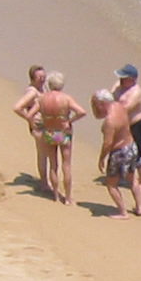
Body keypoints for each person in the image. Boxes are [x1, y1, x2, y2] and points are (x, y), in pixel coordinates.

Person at [30, 72, 87, 205]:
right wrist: (69, 121)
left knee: (53, 165)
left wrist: (36, 125)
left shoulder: (42, 99)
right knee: (66, 165)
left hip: (50, 131)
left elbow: (30, 114)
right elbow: (82, 112)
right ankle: (67, 197)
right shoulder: (66, 98)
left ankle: (56, 195)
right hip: (63, 131)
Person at [92, 90, 141, 217]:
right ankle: (139, 208)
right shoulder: (119, 107)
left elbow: (107, 143)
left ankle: (123, 212)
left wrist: (101, 158)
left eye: (96, 104)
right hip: (131, 146)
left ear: (102, 103)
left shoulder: (109, 122)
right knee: (132, 180)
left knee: (111, 184)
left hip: (120, 152)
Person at [11, 62, 56, 194]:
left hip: (47, 125)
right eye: (39, 77)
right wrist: (30, 119)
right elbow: (17, 108)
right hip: (39, 127)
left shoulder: (42, 88)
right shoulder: (32, 92)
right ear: (33, 78)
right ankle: (44, 183)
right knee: (43, 155)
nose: (42, 79)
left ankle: (47, 181)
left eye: (44, 77)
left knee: (50, 154)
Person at [114, 64, 141, 165]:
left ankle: (139, 174)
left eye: (124, 78)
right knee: (119, 150)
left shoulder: (136, 92)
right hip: (123, 124)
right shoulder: (118, 85)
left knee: (135, 155)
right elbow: (111, 97)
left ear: (132, 79)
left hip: (136, 125)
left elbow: (126, 108)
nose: (121, 80)